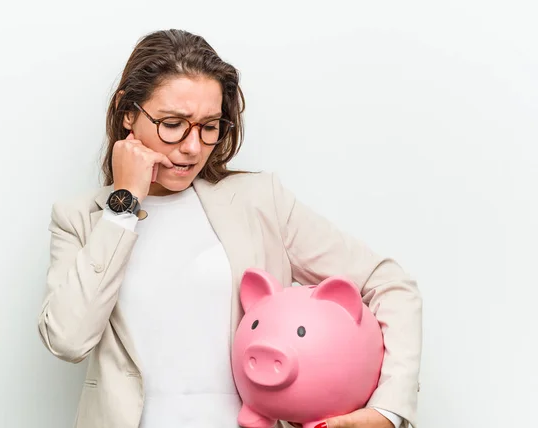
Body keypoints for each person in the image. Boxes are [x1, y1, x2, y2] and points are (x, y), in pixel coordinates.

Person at [37, 29, 422, 428]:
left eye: (209, 126)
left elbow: (388, 281)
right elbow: (67, 339)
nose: (192, 147)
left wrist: (388, 410)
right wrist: (123, 205)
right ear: (127, 112)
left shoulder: (259, 200)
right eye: (173, 124)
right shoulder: (80, 219)